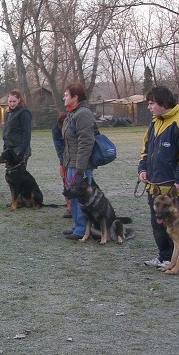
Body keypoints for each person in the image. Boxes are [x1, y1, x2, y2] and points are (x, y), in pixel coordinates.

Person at [138, 85, 179, 268]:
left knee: (178, 227)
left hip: (175, 190)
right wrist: (143, 168)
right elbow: (146, 150)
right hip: (155, 187)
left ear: (164, 103)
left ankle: (178, 260)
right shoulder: (154, 123)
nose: (149, 107)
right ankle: (165, 256)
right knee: (158, 225)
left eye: (151, 103)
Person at [61, 83, 96, 240]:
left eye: (67, 95)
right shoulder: (72, 114)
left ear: (75, 97)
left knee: (81, 198)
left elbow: (86, 142)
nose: (64, 97)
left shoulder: (83, 114)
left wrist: (80, 168)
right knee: (73, 197)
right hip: (71, 163)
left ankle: (82, 230)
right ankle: (78, 227)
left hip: (80, 165)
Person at [2, 90, 32, 167]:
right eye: (10, 101)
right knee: (10, 175)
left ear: (19, 100)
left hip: (19, 148)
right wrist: (5, 148)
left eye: (14, 101)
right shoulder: (7, 113)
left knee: (18, 176)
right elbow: (6, 131)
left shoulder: (24, 113)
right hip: (9, 148)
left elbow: (27, 133)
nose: (12, 104)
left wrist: (22, 151)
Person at [52, 112, 72, 218]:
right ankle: (70, 208)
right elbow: (58, 147)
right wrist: (62, 162)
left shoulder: (74, 123)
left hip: (75, 157)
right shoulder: (56, 129)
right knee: (66, 183)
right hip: (65, 158)